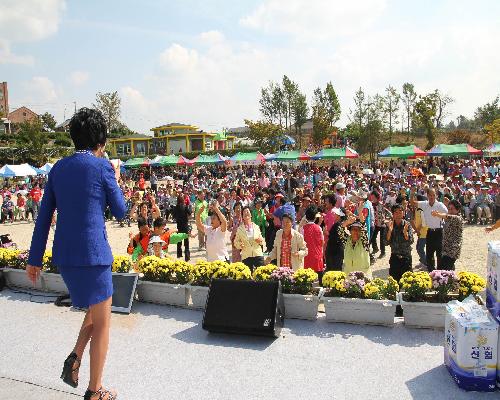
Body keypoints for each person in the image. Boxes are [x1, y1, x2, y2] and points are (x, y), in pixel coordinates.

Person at [26, 108, 126, 400]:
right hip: (94, 256)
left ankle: (75, 356)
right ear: (101, 140)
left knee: (97, 311)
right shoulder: (103, 166)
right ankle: (95, 391)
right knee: (104, 322)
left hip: (66, 258)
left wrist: (34, 260)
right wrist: (115, 176)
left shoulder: (58, 168)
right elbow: (121, 211)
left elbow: (43, 217)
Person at [413, 188, 447, 271]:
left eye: (433, 195)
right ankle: (431, 271)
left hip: (439, 231)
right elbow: (413, 203)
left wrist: (438, 214)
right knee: (429, 253)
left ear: (436, 195)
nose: (432, 197)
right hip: (430, 231)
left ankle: (440, 272)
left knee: (439, 253)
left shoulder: (440, 205)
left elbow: (446, 214)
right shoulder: (424, 204)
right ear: (427, 195)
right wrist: (411, 194)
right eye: (430, 195)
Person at [431, 199, 464, 270]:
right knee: (446, 269)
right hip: (446, 248)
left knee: (443, 270)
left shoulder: (458, 218)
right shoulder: (448, 218)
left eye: (452, 209)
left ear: (458, 210)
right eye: (449, 209)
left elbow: (447, 216)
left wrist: (437, 214)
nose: (450, 211)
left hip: (452, 250)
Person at [386, 204, 414, 282]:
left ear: (403, 213)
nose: (398, 214)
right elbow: (386, 242)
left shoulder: (407, 224)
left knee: (408, 282)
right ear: (393, 214)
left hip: (406, 257)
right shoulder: (389, 225)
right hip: (395, 257)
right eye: (396, 212)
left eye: (400, 212)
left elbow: (411, 241)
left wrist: (405, 232)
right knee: (394, 282)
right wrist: (390, 231)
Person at [340, 212, 371, 277]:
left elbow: (364, 228)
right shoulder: (346, 240)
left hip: (363, 276)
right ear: (350, 231)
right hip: (349, 276)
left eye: (358, 230)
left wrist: (360, 212)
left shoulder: (364, 241)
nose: (356, 231)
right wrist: (347, 222)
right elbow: (340, 230)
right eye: (353, 229)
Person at [234, 206, 265, 271]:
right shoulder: (239, 229)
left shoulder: (256, 227)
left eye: (247, 212)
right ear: (242, 216)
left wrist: (260, 240)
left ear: (251, 214)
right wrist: (240, 245)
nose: (246, 213)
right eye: (244, 212)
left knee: (261, 276)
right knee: (248, 278)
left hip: (258, 254)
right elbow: (236, 242)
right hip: (246, 256)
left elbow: (262, 240)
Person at [302, 205, 325, 283]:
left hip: (306, 255)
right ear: (315, 217)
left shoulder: (303, 228)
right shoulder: (319, 228)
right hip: (317, 254)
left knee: (306, 277)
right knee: (320, 277)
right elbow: (322, 242)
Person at [172, 194, 192, 262]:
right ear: (183, 200)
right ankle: (187, 257)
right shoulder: (185, 206)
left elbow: (173, 216)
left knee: (179, 241)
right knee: (186, 242)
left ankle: (179, 255)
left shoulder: (175, 207)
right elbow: (190, 213)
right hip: (185, 226)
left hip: (179, 226)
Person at [412, 195, 428, 270]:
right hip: (420, 233)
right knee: (418, 248)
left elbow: (424, 223)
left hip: (423, 233)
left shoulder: (422, 211)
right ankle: (422, 261)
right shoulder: (417, 210)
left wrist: (417, 230)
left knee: (420, 248)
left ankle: (425, 263)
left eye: (416, 200)